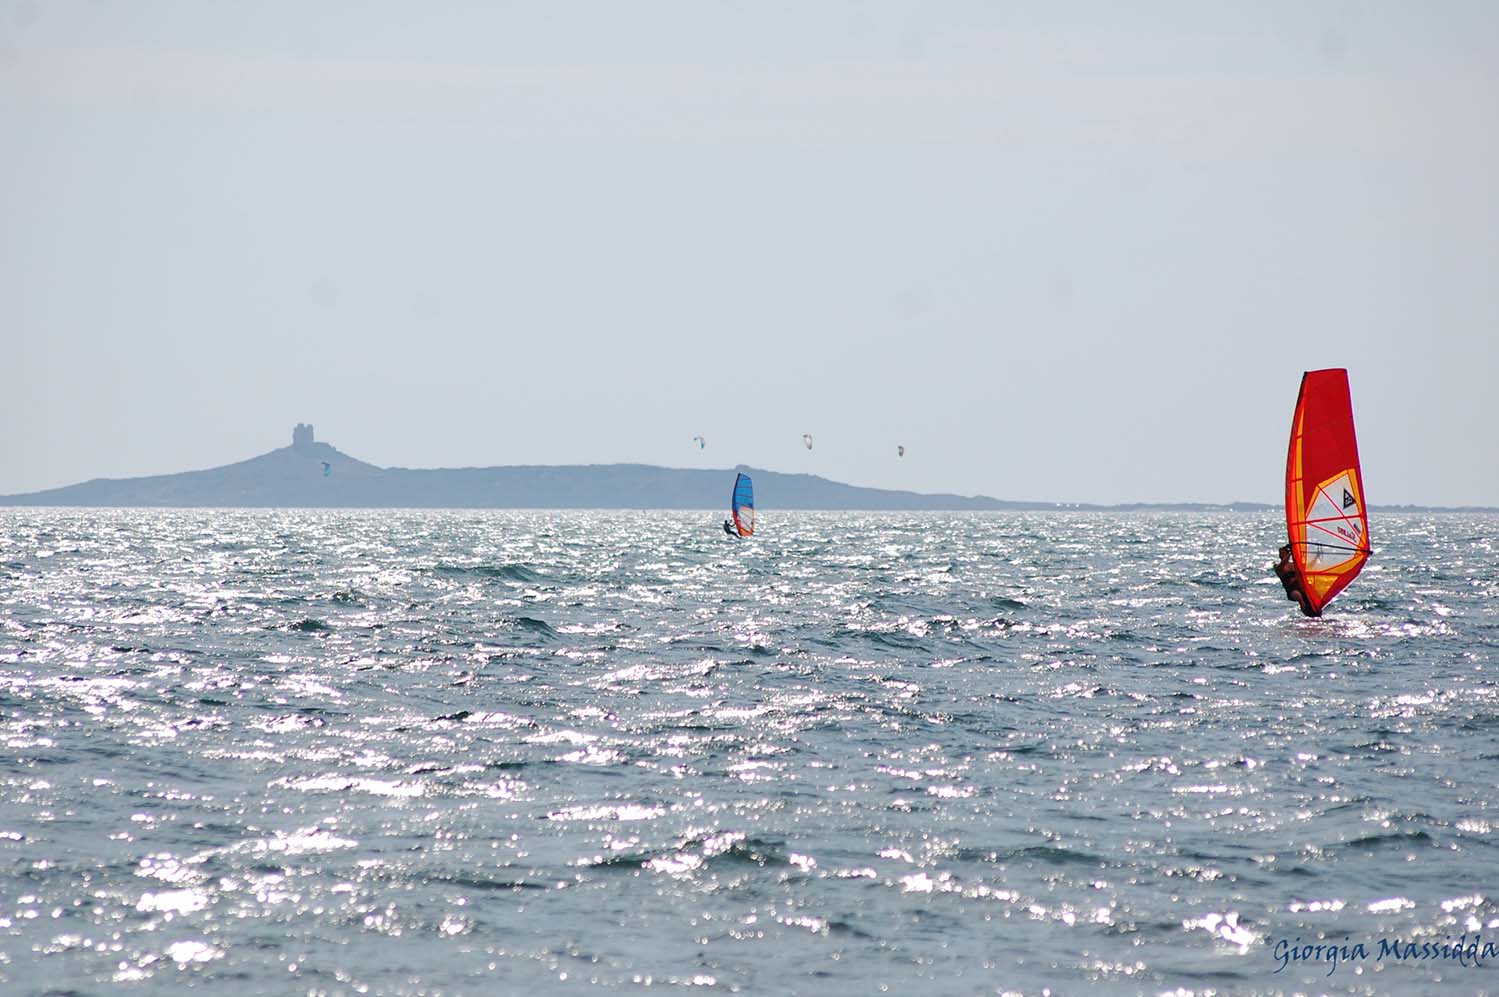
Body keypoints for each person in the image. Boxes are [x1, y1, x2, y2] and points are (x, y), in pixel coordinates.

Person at [1273, 544, 1320, 618]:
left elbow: (1308, 566)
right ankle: (1303, 606)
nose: (1280, 554)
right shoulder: (1277, 566)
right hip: (1292, 590)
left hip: (1301, 587)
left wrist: (1316, 556)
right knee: (1298, 595)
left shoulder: (1294, 564)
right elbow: (1284, 563)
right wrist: (1291, 552)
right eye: (1280, 553)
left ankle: (1316, 609)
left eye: (1282, 552)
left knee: (1313, 594)